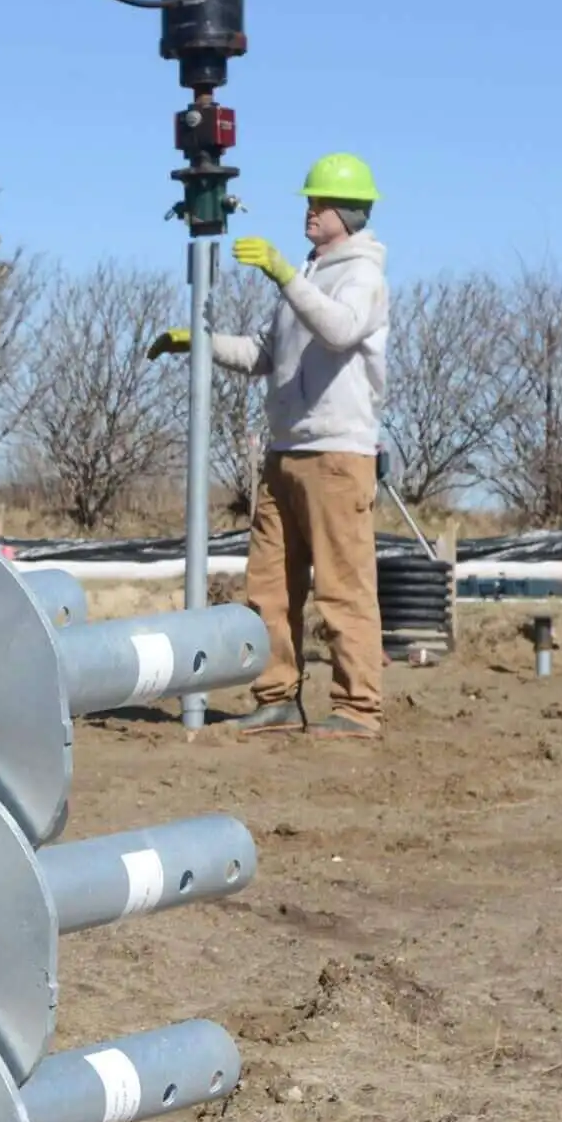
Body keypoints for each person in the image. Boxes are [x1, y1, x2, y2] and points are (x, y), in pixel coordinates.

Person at [152, 153, 391, 736]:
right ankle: (276, 697)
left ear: (350, 213)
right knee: (269, 589)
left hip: (336, 455)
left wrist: (283, 274)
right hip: (284, 451)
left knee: (342, 589)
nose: (309, 211)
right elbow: (266, 353)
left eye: (320, 203)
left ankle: (357, 709)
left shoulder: (363, 276)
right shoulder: (308, 273)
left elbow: (339, 329)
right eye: (309, 201)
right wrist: (202, 343)